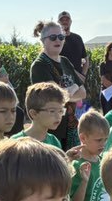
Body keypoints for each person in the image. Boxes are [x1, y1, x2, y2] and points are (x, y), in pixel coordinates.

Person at [30, 20, 86, 149]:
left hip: (70, 125)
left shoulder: (65, 61)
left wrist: (66, 91)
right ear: (43, 40)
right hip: (51, 128)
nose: (58, 40)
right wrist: (73, 87)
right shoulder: (40, 65)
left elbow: (83, 93)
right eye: (53, 37)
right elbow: (54, 97)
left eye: (61, 37)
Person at [68, 110, 110, 201]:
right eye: (99, 140)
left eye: (105, 139)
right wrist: (84, 181)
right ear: (83, 138)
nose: (103, 144)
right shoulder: (76, 165)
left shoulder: (103, 161)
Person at [12, 82, 66, 148]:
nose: (58, 116)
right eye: (52, 111)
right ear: (34, 114)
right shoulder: (16, 142)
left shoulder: (54, 141)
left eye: (61, 111)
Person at [58, 10, 88, 80]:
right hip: (61, 80)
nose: (65, 22)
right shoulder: (56, 39)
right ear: (58, 22)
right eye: (62, 20)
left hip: (78, 80)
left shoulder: (78, 38)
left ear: (71, 21)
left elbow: (86, 59)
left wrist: (83, 76)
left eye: (67, 19)